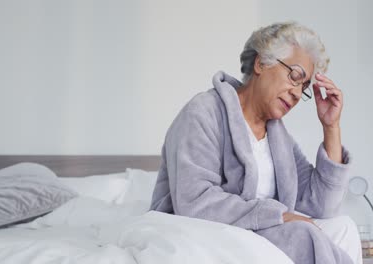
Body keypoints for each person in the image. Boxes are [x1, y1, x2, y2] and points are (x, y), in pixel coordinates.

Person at [150, 21, 361, 264]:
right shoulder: (203, 112)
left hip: (262, 233)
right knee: (303, 235)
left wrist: (331, 127)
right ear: (261, 63)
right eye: (295, 76)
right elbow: (195, 201)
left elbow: (323, 206)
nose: (296, 92)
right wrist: (279, 215)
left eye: (303, 87)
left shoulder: (279, 139)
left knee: (343, 226)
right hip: (210, 233)